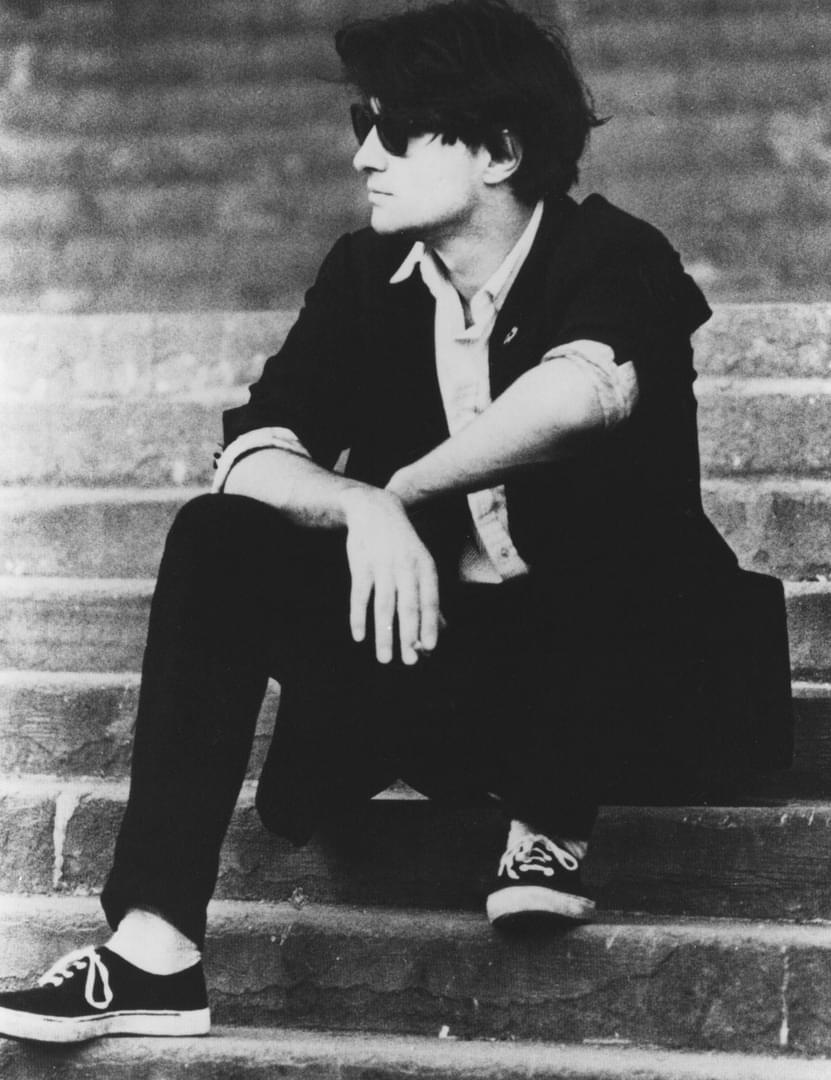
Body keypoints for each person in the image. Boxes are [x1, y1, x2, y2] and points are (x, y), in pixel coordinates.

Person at [0, 0, 790, 1045]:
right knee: (215, 538)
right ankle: (154, 950)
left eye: (397, 129)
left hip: (628, 687)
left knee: (586, 486)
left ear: (500, 151)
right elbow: (253, 452)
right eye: (360, 125)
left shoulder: (614, 254)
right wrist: (356, 503)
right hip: (459, 676)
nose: (365, 155)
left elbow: (579, 396)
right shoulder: (365, 277)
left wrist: (404, 490)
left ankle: (551, 820)